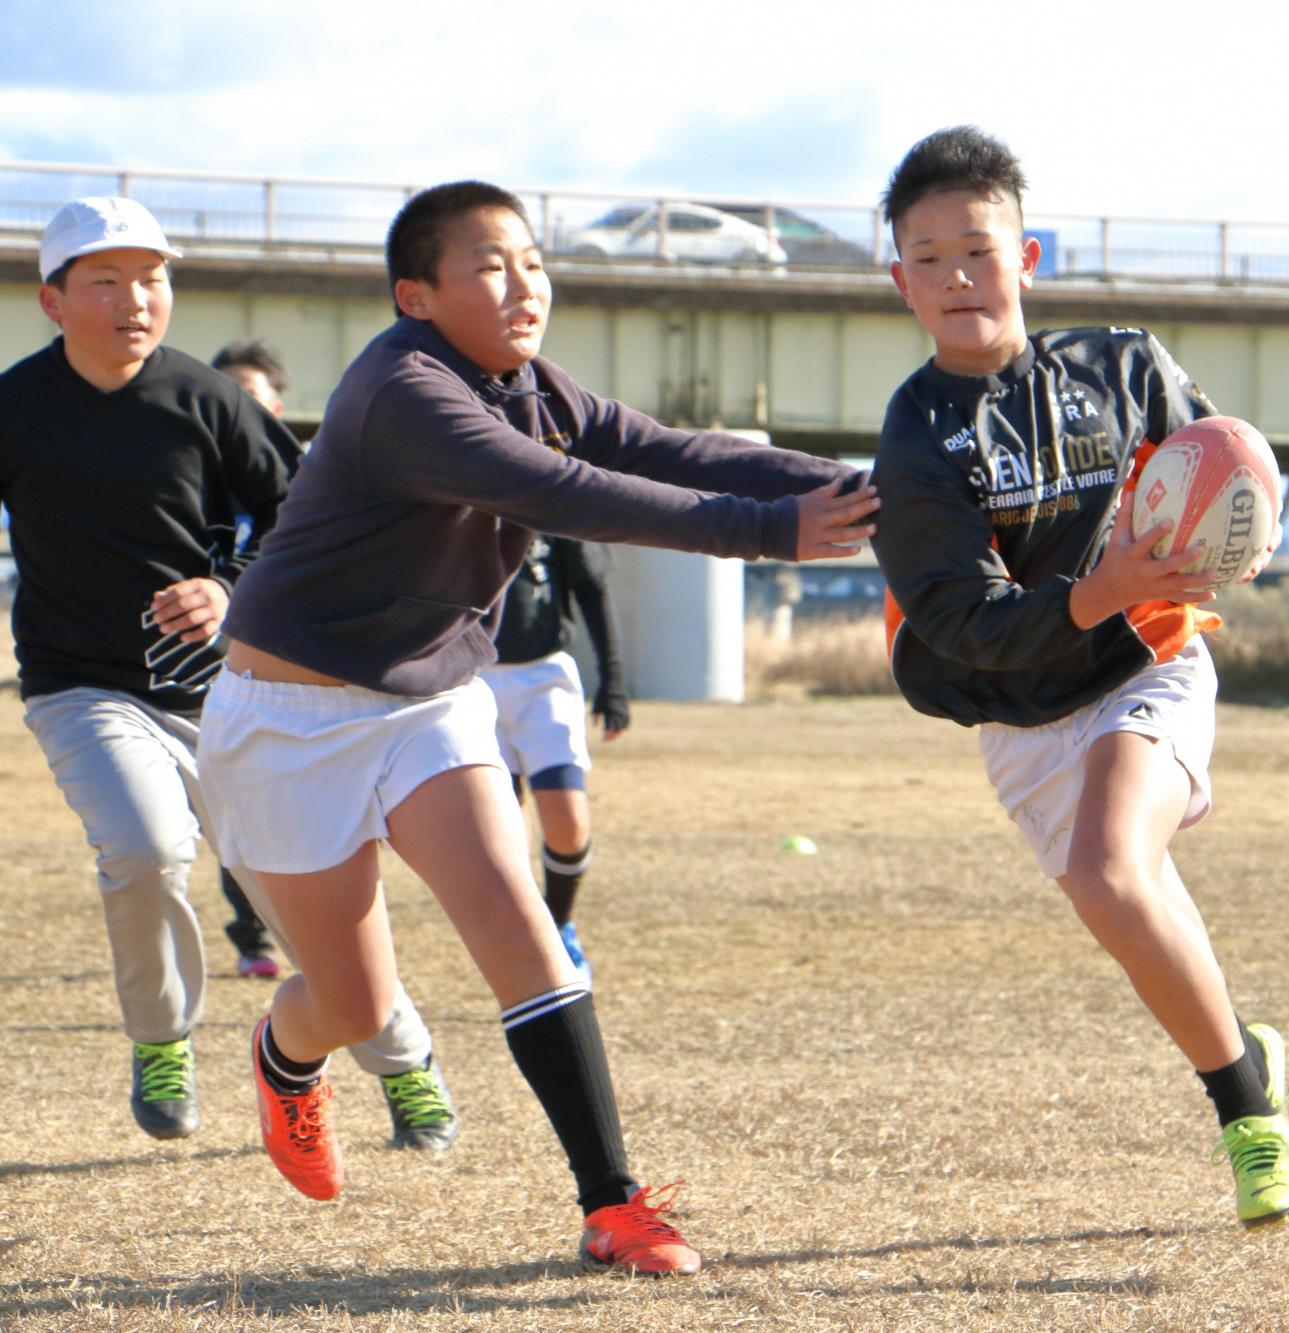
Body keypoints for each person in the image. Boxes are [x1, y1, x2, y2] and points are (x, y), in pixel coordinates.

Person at [197, 179, 877, 1276]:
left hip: (427, 703)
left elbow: (667, 451)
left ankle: (612, 1203)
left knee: (520, 923)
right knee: (355, 1003)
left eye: (533, 261)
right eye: (490, 266)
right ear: (416, 296)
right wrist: (769, 531)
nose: (525, 285)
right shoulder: (407, 392)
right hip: (291, 719)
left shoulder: (531, 384)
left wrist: (867, 488)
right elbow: (569, 493)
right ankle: (284, 1055)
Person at [866, 127, 1289, 1229]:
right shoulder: (914, 439)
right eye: (928, 257)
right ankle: (1238, 1044)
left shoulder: (1122, 364)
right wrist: (1092, 586)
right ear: (899, 283)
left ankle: (1248, 1120)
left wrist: (1240, 540)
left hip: (1144, 661)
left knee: (1114, 870)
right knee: (1125, 893)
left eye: (978, 247)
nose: (957, 276)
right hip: (1015, 713)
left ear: (1029, 256)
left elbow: (1221, 470)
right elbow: (963, 623)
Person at [0, 197, 459, 1151]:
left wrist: (227, 586)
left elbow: (309, 526)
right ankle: (162, 1038)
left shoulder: (212, 402)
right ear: (52, 301)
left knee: (298, 899)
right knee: (145, 848)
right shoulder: (13, 408)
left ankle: (405, 1060)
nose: (137, 299)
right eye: (107, 281)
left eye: (153, 278)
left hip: (237, 692)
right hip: (82, 685)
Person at [480, 534, 627, 986]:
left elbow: (592, 587)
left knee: (567, 823)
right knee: (502, 832)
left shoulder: (550, 487)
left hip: (544, 677)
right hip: (469, 678)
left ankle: (559, 923)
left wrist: (613, 678)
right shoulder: (452, 487)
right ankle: (532, 941)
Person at [208, 338, 292, 978]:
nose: (240, 412)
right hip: (201, 671)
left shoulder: (311, 485)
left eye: (253, 399)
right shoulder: (190, 484)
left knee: (284, 812)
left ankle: (289, 930)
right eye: (226, 399)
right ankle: (252, 937)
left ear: (279, 408)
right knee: (229, 810)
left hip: (288, 672)